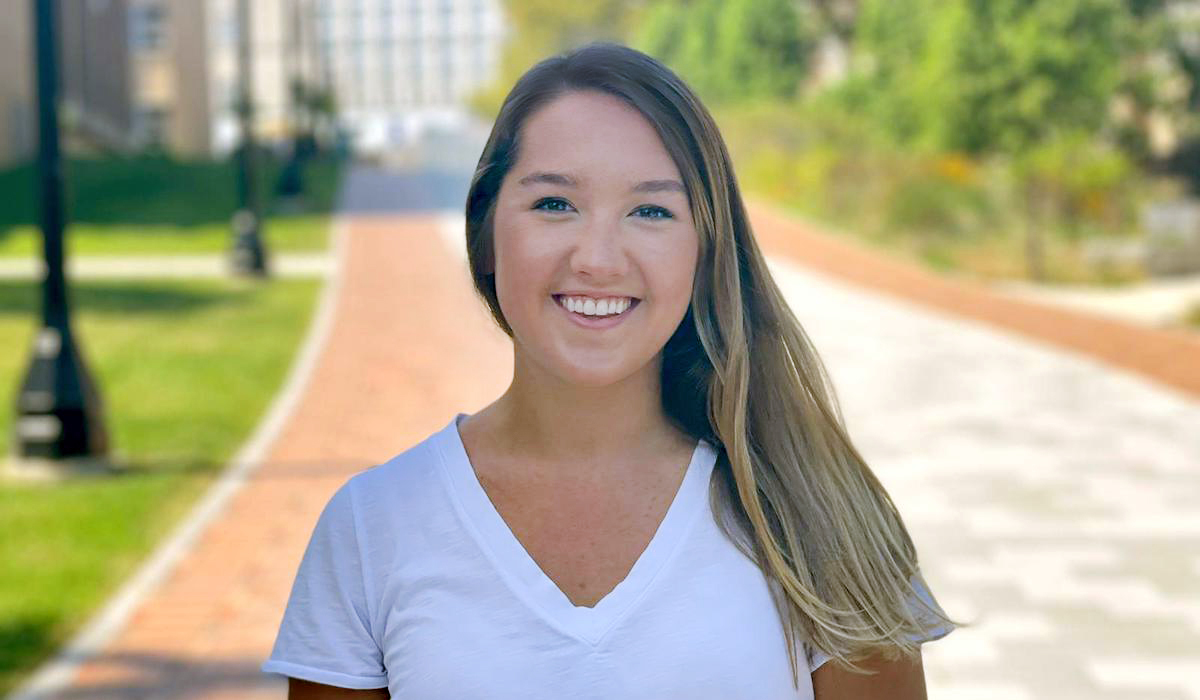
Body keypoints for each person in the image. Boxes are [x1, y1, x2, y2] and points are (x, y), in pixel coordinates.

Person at [262, 42, 959, 699]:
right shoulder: (374, 525)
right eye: (554, 204)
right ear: (486, 235)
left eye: (651, 210)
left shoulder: (818, 515)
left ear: (704, 251)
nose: (598, 258)